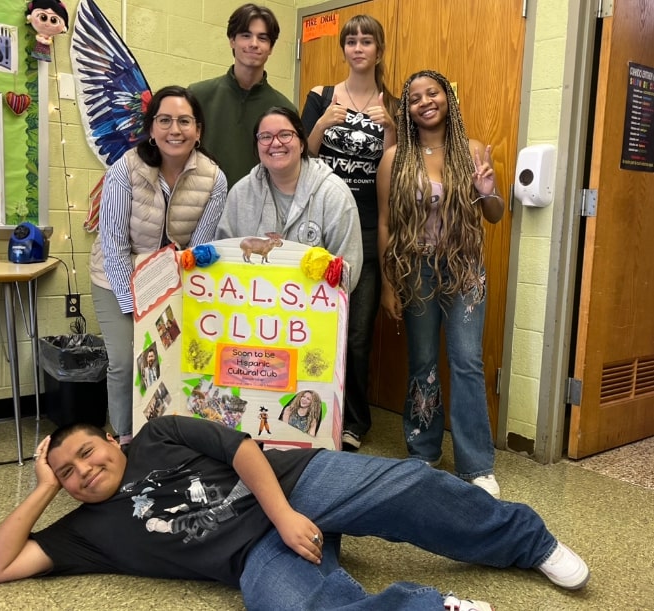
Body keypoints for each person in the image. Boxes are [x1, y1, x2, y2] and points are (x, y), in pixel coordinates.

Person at [0, 417, 590, 611]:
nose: (83, 471)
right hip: (253, 557)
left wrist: (288, 515)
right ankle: (435, 609)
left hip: (294, 484)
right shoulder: (82, 532)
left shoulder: (157, 432)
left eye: (86, 453)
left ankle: (528, 541)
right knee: (300, 609)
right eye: (68, 473)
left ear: (111, 437)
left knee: (410, 486)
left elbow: (241, 448)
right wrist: (42, 489)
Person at [376, 70, 505, 498]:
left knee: (466, 360)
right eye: (415, 98)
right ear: (407, 110)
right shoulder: (395, 157)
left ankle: (477, 464)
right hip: (416, 269)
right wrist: (389, 284)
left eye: (433, 93)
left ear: (448, 98)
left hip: (464, 267)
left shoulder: (472, 150)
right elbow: (385, 222)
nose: (425, 101)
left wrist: (488, 191)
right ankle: (423, 451)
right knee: (424, 360)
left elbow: (494, 215)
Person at [89, 85, 227, 448]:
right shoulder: (126, 169)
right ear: (151, 129)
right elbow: (114, 245)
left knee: (170, 356)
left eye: (184, 121)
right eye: (164, 120)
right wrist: (133, 307)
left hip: (170, 280)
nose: (174, 129)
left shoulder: (214, 179)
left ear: (198, 129)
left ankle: (168, 433)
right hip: (115, 278)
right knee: (125, 359)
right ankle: (125, 439)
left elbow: (196, 251)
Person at [300, 15, 399, 451]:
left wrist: (392, 129)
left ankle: (355, 420)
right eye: (351, 41)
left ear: (379, 49)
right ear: (343, 49)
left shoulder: (393, 104)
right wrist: (322, 123)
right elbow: (296, 154)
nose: (358, 48)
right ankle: (312, 412)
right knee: (316, 327)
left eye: (367, 41)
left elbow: (404, 168)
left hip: (370, 226)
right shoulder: (320, 96)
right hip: (321, 226)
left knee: (357, 334)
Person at [215, 106, 363, 293]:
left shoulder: (334, 195)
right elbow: (224, 257)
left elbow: (348, 270)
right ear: (257, 146)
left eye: (285, 135)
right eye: (266, 137)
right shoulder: (239, 194)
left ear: (301, 143)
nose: (275, 143)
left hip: (311, 312)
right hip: (250, 310)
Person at [189, 3, 297, 189]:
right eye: (246, 36)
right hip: (202, 208)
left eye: (262, 38)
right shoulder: (197, 96)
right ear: (232, 40)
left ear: (271, 48)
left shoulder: (285, 109)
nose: (253, 44)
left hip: (259, 210)